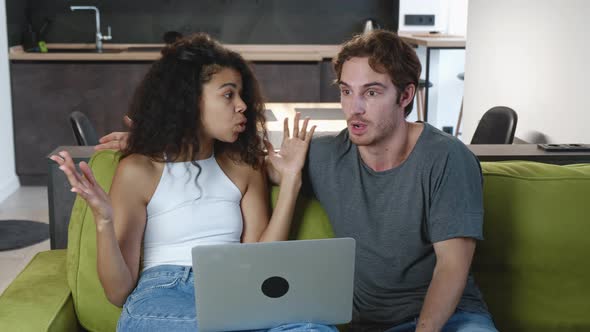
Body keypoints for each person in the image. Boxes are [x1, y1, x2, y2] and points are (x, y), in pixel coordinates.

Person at [97, 30, 498, 331]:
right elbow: (267, 166)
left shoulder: (447, 157)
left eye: (372, 92)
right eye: (346, 91)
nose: (354, 108)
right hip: (363, 321)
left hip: (447, 319)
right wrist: (162, 138)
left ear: (406, 95)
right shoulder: (326, 154)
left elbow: (451, 268)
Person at [51, 33, 336, 332]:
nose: (242, 106)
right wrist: (104, 220)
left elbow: (261, 265)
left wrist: (291, 181)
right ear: (190, 101)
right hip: (161, 296)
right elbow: (118, 293)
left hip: (233, 290)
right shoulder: (139, 170)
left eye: (241, 95)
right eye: (228, 94)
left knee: (314, 328)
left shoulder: (244, 168)